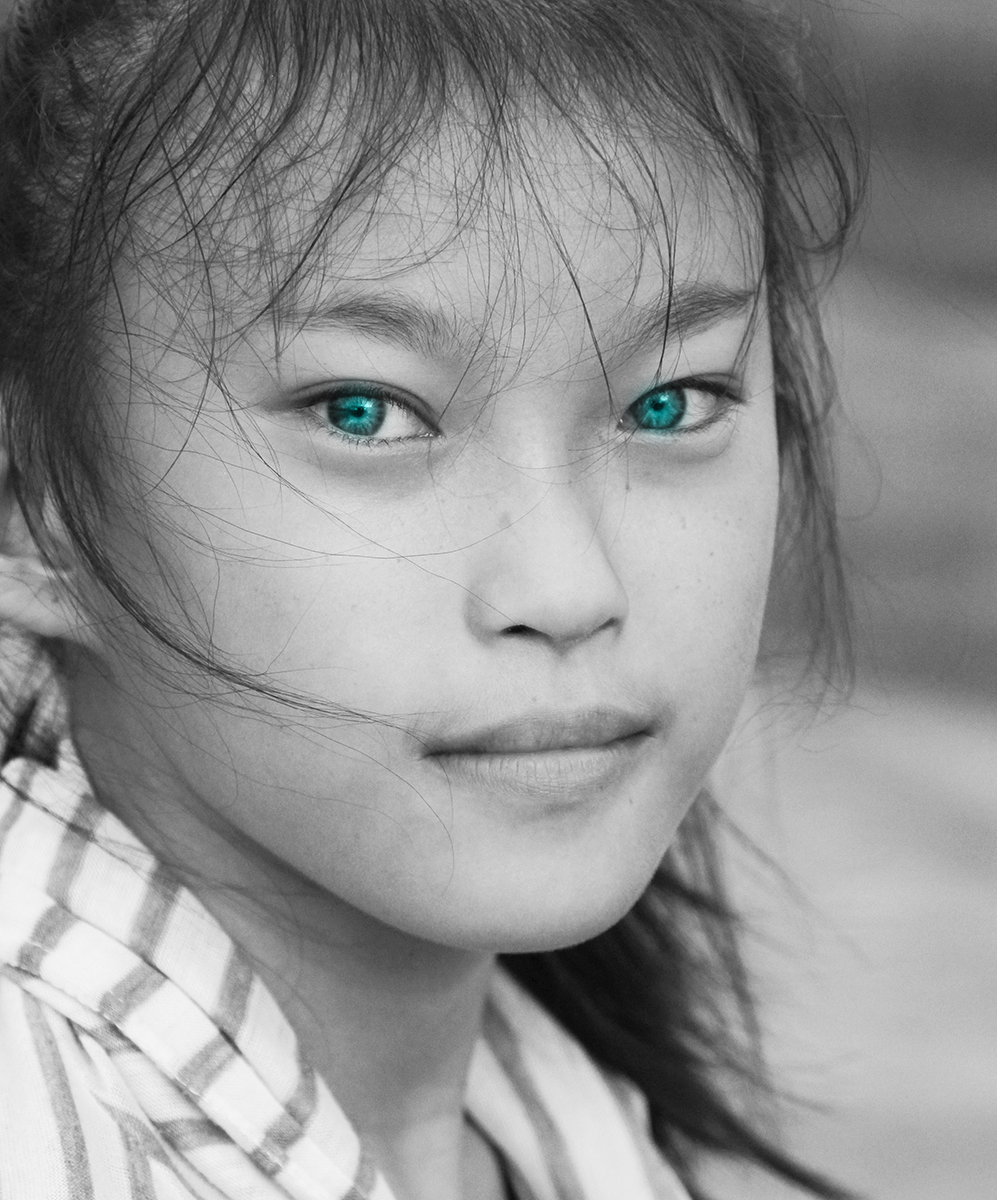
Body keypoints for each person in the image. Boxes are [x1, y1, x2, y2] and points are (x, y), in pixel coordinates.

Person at [0, 0, 861, 1196]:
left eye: (669, 403)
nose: (568, 588)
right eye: (366, 411)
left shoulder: (570, 1125)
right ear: (27, 494)